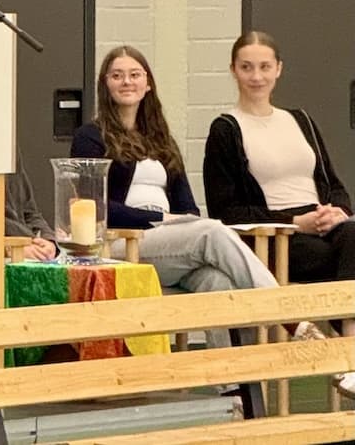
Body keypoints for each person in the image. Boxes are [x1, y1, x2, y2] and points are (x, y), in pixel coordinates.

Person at [71, 45, 294, 349]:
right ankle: (286, 313)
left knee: (218, 283)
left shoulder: (161, 138)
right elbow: (93, 205)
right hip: (120, 243)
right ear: (105, 84)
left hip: (168, 244)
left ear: (148, 84)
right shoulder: (90, 137)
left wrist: (177, 221)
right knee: (211, 231)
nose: (127, 82)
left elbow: (187, 206)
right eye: (117, 76)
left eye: (135, 75)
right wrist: (160, 219)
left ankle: (235, 376)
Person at [203, 29, 355, 397]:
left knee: (354, 234)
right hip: (274, 233)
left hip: (323, 222)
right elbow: (225, 211)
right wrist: (294, 223)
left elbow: (334, 184)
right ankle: (348, 356)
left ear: (279, 69)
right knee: (329, 257)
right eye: (247, 67)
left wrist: (338, 211)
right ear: (233, 70)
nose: (257, 76)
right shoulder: (225, 129)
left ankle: (350, 345)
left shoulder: (300, 120)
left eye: (264, 67)